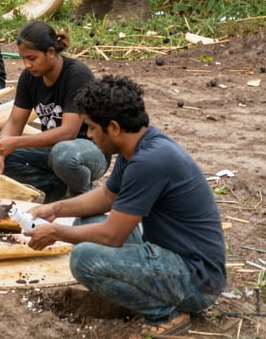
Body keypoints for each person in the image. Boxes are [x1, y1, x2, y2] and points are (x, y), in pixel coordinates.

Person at [23, 74, 226, 338]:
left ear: (115, 128)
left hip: (197, 281)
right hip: (171, 258)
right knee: (86, 222)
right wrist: (55, 210)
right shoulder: (136, 147)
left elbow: (112, 235)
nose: (91, 135)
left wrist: (56, 233)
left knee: (84, 258)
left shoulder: (149, 161)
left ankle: (164, 313)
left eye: (93, 128)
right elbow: (106, 196)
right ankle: (147, 295)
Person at [0, 22, 108, 202]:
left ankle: (82, 194)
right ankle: (54, 185)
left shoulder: (77, 74)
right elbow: (15, 122)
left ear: (51, 52)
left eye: (32, 58)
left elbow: (68, 132)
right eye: (23, 58)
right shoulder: (29, 78)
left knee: (64, 153)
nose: (27, 64)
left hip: (87, 152)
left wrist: (15, 143)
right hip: (52, 151)